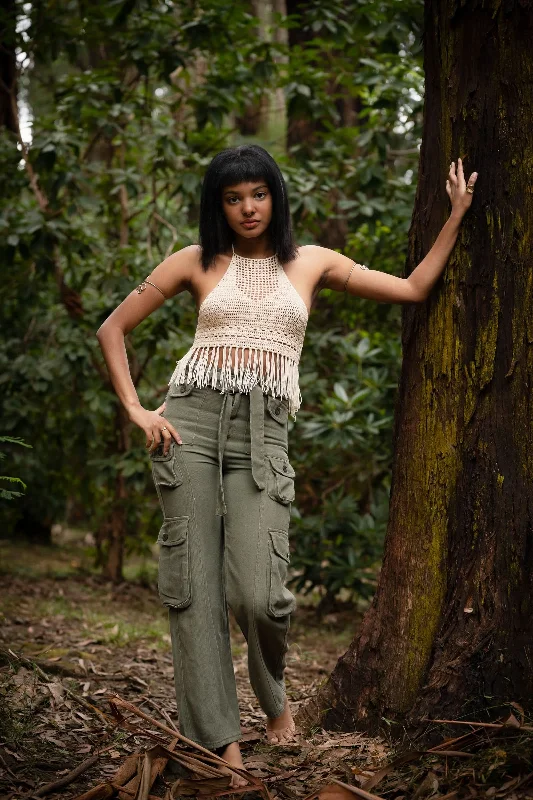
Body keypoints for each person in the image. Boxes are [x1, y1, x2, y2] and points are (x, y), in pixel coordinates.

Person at [96, 145, 477, 786]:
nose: (248, 208)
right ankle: (221, 744)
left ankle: (275, 700)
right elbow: (113, 328)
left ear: (276, 196)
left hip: (263, 432)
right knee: (193, 588)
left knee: (259, 594)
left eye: (259, 194)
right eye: (233, 197)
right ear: (219, 205)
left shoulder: (312, 263)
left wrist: (457, 214)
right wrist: (136, 409)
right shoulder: (196, 261)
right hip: (187, 424)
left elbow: (413, 288)